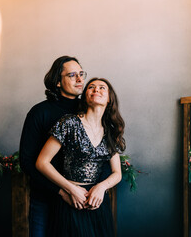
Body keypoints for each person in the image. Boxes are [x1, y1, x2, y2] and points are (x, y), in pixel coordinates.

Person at [36, 78, 126, 236]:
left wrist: (101, 187)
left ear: (109, 98)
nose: (96, 90)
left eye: (102, 88)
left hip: (97, 203)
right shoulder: (69, 123)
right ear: (85, 96)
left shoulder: (110, 131)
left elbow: (117, 173)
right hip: (70, 200)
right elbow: (42, 162)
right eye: (91, 87)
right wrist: (70, 190)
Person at [19, 56, 88, 237]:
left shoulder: (89, 111)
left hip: (80, 199)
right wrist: (60, 191)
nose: (80, 80)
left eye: (81, 74)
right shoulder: (39, 112)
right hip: (45, 200)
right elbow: (27, 162)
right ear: (58, 81)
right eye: (73, 75)